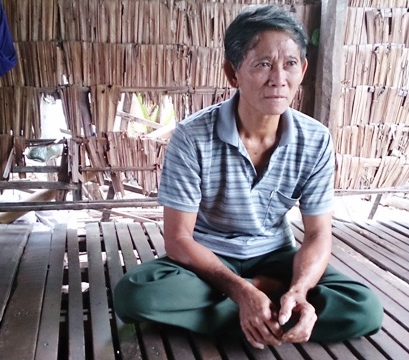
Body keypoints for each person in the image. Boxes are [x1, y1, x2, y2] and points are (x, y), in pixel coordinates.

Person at [113, 4, 383, 348]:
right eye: (263, 64)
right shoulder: (192, 136)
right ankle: (271, 314)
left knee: (365, 309)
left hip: (275, 255)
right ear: (232, 73)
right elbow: (179, 238)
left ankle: (263, 312)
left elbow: (317, 234)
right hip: (209, 259)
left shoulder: (316, 139)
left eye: (289, 64)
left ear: (303, 69)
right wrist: (242, 291)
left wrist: (299, 291)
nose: (278, 79)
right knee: (136, 295)